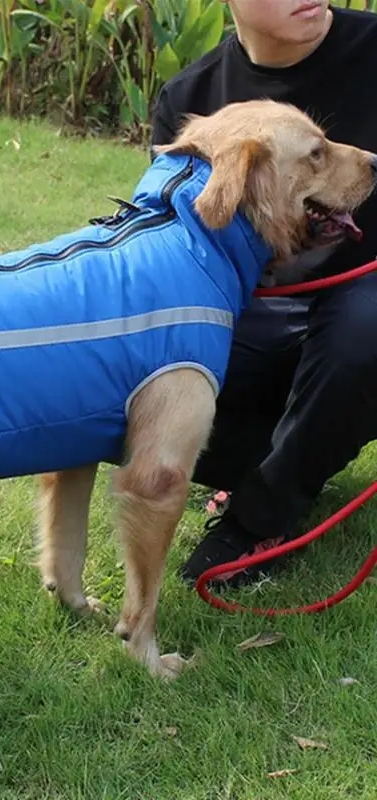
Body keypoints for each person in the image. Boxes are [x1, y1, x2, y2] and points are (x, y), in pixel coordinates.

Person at [150, 0, 377, 587]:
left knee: (363, 329)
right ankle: (283, 455)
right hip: (249, 307)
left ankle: (258, 522)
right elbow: (174, 245)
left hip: (362, 303)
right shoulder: (189, 98)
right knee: (154, 360)